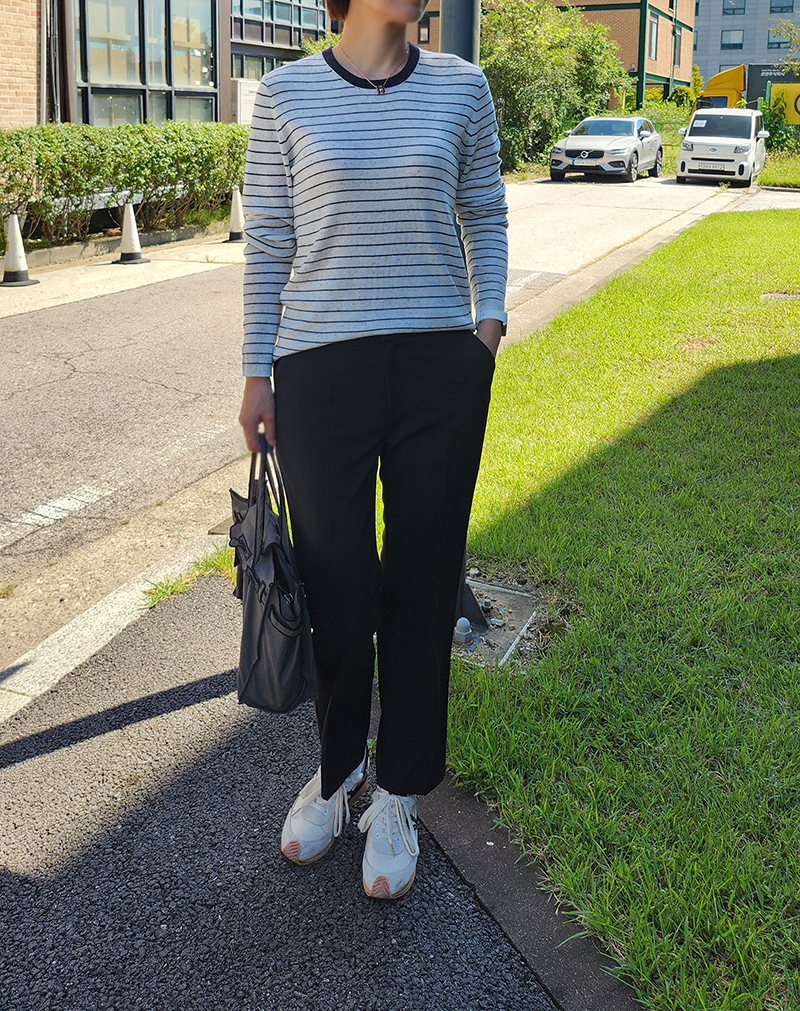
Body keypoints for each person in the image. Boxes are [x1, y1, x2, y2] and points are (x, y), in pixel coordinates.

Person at [237, 0, 509, 900]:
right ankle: (339, 769)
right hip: (319, 372)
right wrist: (257, 374)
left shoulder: (463, 88)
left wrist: (487, 329)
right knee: (340, 591)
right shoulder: (284, 95)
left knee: (423, 589)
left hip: (439, 370)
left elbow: (485, 211)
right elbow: (269, 242)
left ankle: (399, 790)